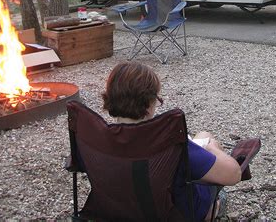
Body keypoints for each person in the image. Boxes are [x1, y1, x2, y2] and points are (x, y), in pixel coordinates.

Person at [102, 60, 242, 221]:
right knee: (209, 146)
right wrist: (211, 149)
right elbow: (234, 174)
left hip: (123, 208)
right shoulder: (171, 144)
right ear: (148, 104)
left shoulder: (97, 141)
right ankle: (214, 207)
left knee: (203, 135)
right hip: (174, 214)